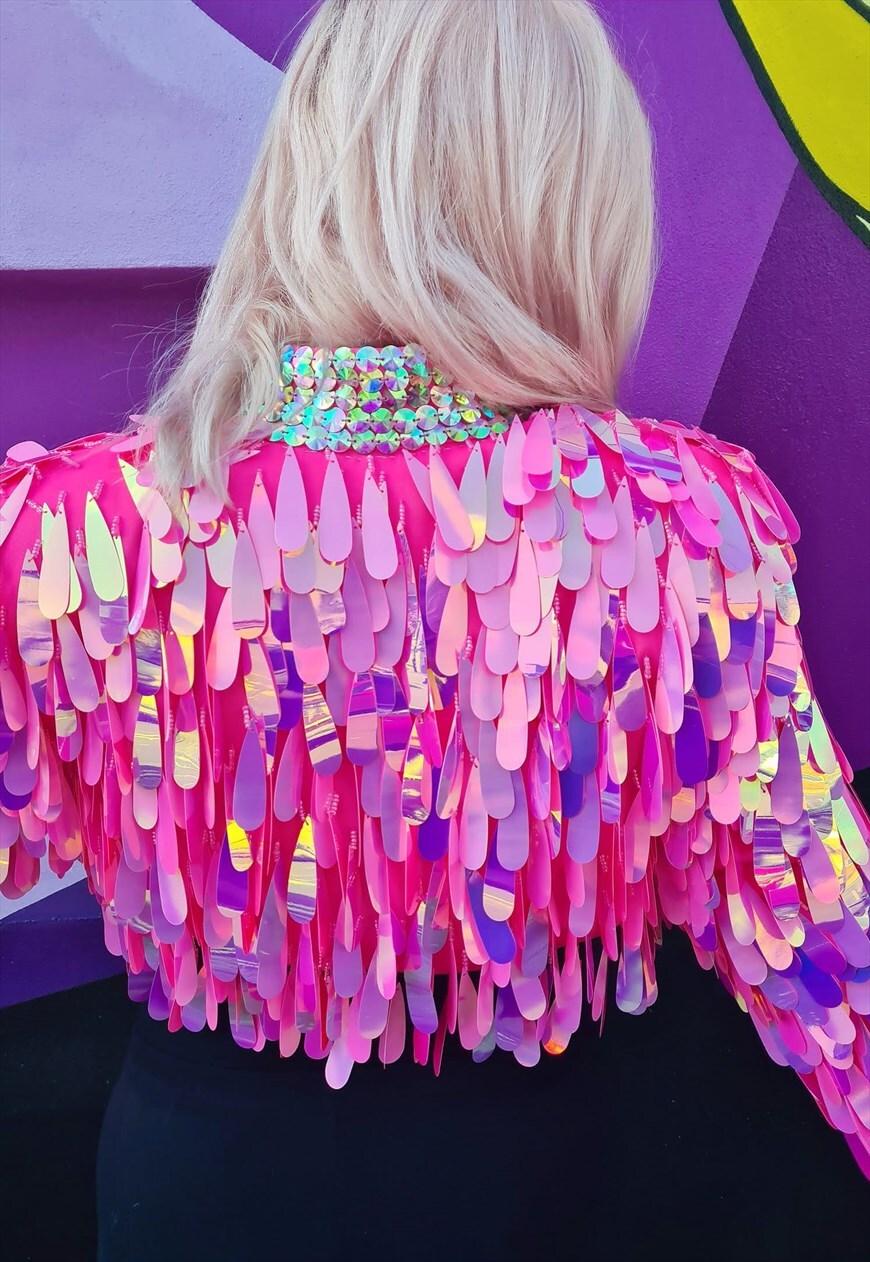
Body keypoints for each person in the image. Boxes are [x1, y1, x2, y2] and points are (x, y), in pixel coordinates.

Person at [0, 1, 867, 1256]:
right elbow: (830, 953)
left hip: (193, 1188)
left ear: (306, 168)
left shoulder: (70, 539)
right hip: (534, 1193)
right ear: (574, 195)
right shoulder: (683, 535)